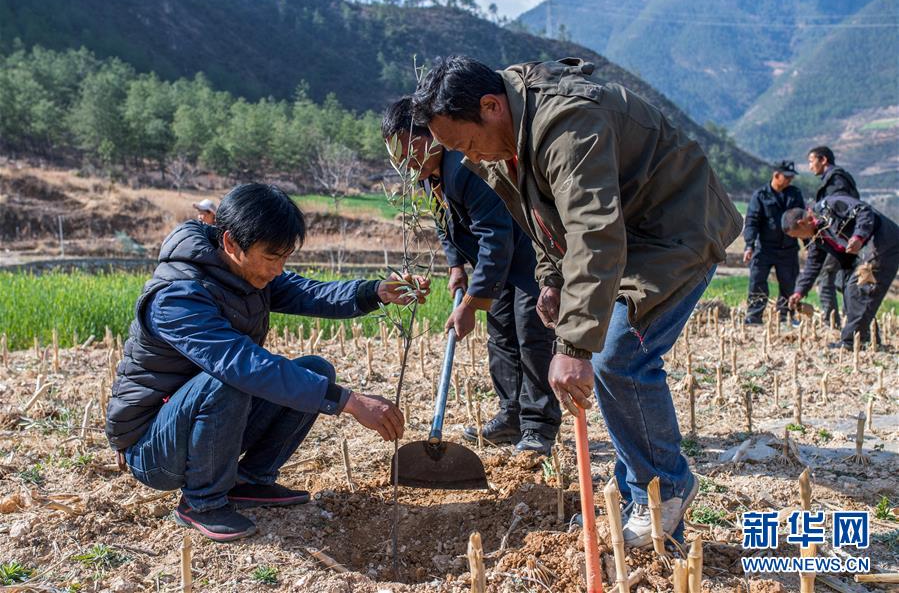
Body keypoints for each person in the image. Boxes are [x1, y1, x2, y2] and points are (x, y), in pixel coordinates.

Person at [412, 56, 742, 547]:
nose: (468, 158)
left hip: (674, 228)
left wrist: (572, 346)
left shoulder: (567, 123)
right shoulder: (505, 138)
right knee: (609, 359)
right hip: (627, 235)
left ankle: (665, 489)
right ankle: (640, 498)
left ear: (491, 106)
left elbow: (593, 231)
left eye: (467, 145)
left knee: (619, 357)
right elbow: (542, 217)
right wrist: (551, 279)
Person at [106, 183, 429, 542]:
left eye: (284, 258)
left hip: (200, 424)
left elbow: (310, 292)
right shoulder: (178, 295)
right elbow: (241, 365)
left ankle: (249, 482)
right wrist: (350, 402)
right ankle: (201, 503)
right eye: (272, 258)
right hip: (153, 447)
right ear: (231, 243)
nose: (278, 270)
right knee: (232, 377)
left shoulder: (244, 271)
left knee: (315, 371)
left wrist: (376, 292)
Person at [381, 97, 561, 455]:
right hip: (493, 264)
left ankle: (538, 427)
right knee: (501, 336)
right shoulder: (426, 175)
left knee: (531, 336)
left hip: (529, 258)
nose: (406, 163)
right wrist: (455, 267)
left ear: (430, 135)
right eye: (398, 156)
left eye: (410, 150)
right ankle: (511, 415)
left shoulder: (464, 168)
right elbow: (444, 223)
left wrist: (471, 304)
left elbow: (496, 235)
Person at [784, 194, 899, 350]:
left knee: (858, 288)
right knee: (843, 284)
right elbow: (813, 263)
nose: (801, 239)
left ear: (802, 223)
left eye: (798, 236)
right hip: (862, 255)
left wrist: (858, 236)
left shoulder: (830, 206)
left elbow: (863, 210)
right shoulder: (817, 235)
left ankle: (851, 342)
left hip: (883, 244)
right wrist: (799, 292)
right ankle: (868, 338)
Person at [742, 161, 805, 324]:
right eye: (787, 177)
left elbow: (802, 221)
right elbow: (752, 221)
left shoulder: (795, 194)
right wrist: (749, 245)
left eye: (792, 177)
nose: (790, 180)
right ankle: (754, 316)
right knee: (757, 282)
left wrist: (808, 244)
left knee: (788, 284)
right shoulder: (760, 196)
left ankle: (786, 317)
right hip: (764, 248)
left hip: (788, 249)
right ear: (776, 175)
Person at [807, 146, 860, 326]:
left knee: (827, 276)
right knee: (843, 280)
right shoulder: (836, 179)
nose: (810, 166)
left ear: (823, 160)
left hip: (841, 238)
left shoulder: (836, 181)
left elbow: (839, 209)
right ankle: (852, 320)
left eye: (811, 161)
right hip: (844, 238)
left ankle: (832, 323)